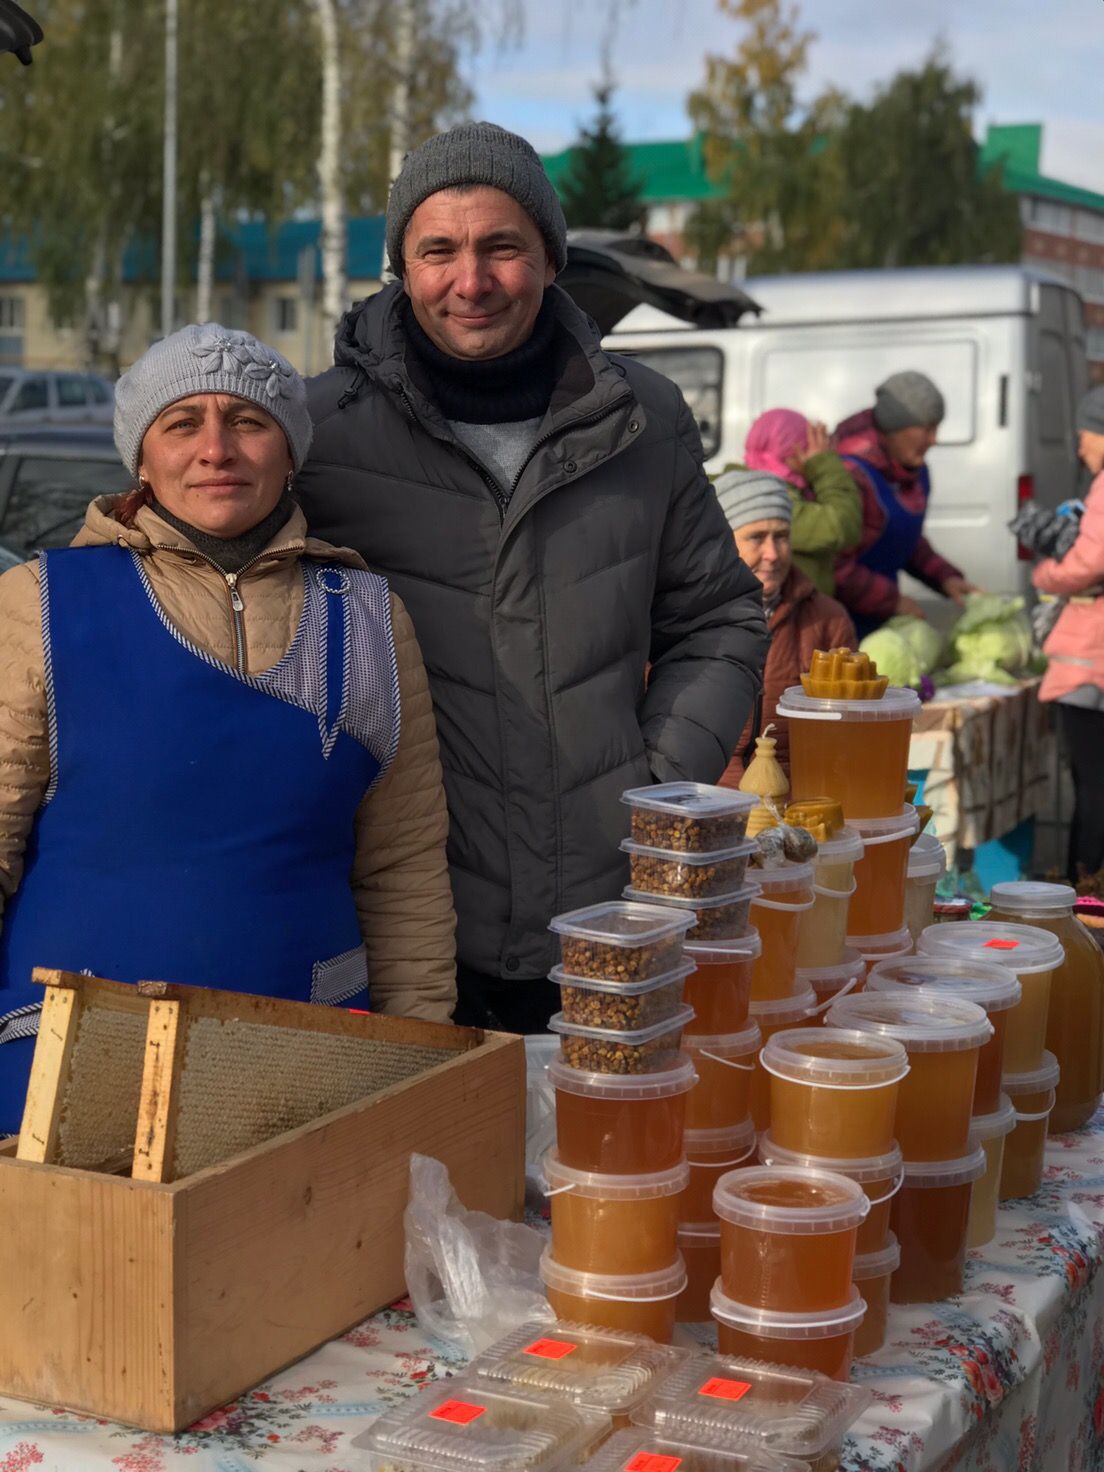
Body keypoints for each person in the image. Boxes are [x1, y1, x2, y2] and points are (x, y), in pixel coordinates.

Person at [297, 121, 768, 1034]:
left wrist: (650, 785)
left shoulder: (642, 418)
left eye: (501, 247)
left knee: (605, 1167)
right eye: (438, 250)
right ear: (402, 266)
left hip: (604, 924)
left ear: (550, 259)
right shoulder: (321, 435)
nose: (469, 281)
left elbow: (718, 619)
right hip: (400, 934)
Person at [0, 324, 456, 1136]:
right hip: (66, 1080)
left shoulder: (368, 621)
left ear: (289, 455)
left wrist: (417, 1060)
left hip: (306, 1076)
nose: (217, 448)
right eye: (182, 424)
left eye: (248, 421)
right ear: (142, 459)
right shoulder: (40, 605)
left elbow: (404, 871)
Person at [712, 469, 856, 786]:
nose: (773, 554)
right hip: (710, 801)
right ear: (722, 539)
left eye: (782, 537)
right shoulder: (683, 618)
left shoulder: (828, 620)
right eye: (756, 537)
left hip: (797, 804)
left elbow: (848, 733)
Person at [833, 371, 976, 637]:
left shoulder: (912, 472)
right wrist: (892, 601)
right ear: (894, 426)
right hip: (841, 627)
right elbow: (834, 566)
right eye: (927, 429)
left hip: (881, 625)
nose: (934, 439)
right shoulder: (849, 475)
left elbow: (904, 542)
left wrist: (945, 578)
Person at [1032, 385, 1104, 881]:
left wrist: (1044, 574)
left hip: (1091, 662)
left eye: (1085, 434)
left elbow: (1089, 560)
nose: (1079, 447)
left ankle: (1088, 891)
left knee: (1093, 783)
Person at [742, 408, 861, 596]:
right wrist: (823, 463)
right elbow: (843, 525)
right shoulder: (765, 496)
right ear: (791, 452)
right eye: (807, 445)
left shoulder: (765, 487)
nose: (812, 453)